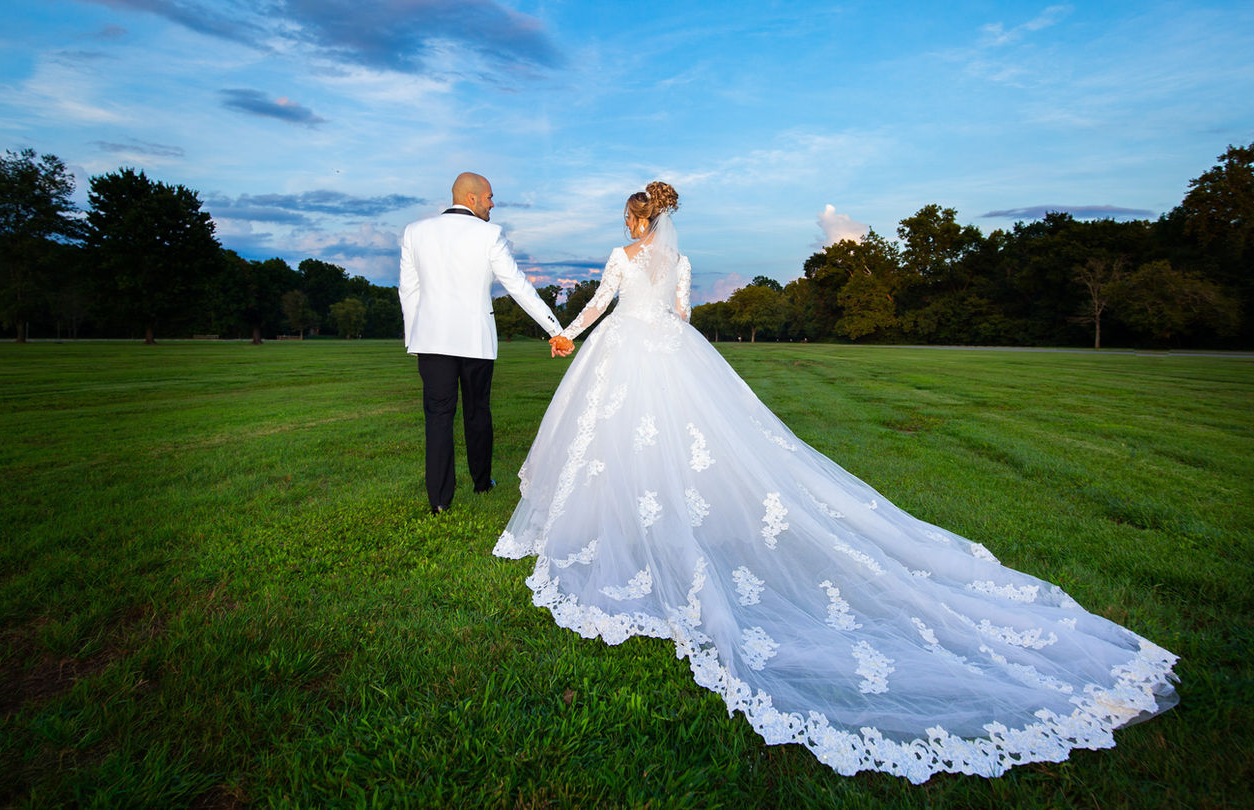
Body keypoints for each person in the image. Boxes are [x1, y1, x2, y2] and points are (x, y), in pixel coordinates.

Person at [493, 181, 1179, 782]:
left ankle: (633, 530)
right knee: (686, 442)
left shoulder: (620, 258)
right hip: (672, 353)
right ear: (662, 220)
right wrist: (656, 333)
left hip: (624, 351)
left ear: (632, 220)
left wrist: (569, 337)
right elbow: (683, 317)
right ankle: (662, 522)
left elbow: (602, 306)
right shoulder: (682, 258)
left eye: (626, 218)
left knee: (617, 442)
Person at [399, 172, 575, 514]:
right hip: (474, 340)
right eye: (490, 197)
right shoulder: (489, 234)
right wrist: (555, 328)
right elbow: (519, 286)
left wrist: (414, 338)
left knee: (438, 416)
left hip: (431, 340)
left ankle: (439, 501)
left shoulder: (414, 232)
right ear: (472, 198)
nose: (493, 203)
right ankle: (481, 482)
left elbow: (409, 290)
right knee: (477, 411)